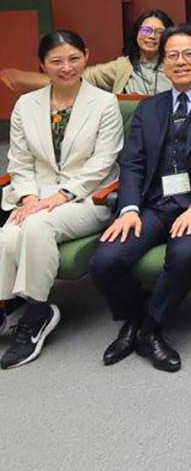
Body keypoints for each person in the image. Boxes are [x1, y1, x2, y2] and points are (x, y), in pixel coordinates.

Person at [91, 25, 191, 373]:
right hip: (152, 206)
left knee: (185, 253)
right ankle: (135, 319)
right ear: (163, 63)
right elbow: (132, 163)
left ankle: (151, 329)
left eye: (189, 54)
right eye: (172, 55)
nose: (180, 61)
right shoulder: (149, 109)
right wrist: (128, 208)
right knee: (105, 260)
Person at [0, 31, 123, 369]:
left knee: (36, 226)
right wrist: (27, 196)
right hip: (34, 196)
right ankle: (8, 306)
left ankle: (36, 313)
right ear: (42, 64)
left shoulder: (105, 103)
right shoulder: (26, 105)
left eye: (73, 59)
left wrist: (59, 196)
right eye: (56, 61)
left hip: (88, 198)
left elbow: (104, 162)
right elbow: (19, 161)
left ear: (86, 56)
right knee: (8, 234)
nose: (66, 67)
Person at [1, 10, 175, 96]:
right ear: (136, 33)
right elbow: (75, 77)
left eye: (160, 32)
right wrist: (19, 78)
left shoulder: (177, 63)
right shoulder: (123, 66)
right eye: (146, 30)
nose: (152, 37)